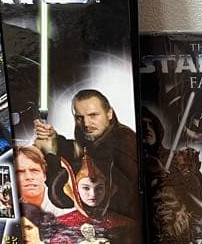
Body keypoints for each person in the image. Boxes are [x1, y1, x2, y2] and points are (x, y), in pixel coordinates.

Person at [34, 89, 140, 219]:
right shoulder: (93, 137)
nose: (86, 123)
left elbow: (69, 197)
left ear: (109, 114)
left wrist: (50, 155)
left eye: (93, 115)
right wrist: (54, 139)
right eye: (79, 117)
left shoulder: (124, 142)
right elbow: (83, 154)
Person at [16, 145, 71, 218]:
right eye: (20, 172)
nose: (29, 177)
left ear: (44, 175)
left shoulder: (66, 211)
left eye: (34, 171)